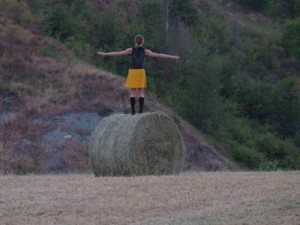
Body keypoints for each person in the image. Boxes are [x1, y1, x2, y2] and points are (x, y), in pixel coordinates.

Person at [97, 34, 180, 115]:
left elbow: (119, 53)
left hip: (132, 71)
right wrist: (172, 57)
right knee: (140, 93)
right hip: (140, 72)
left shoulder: (130, 50)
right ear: (142, 42)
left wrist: (106, 54)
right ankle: (140, 110)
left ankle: (133, 111)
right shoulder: (145, 51)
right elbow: (158, 55)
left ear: (135, 41)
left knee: (132, 93)